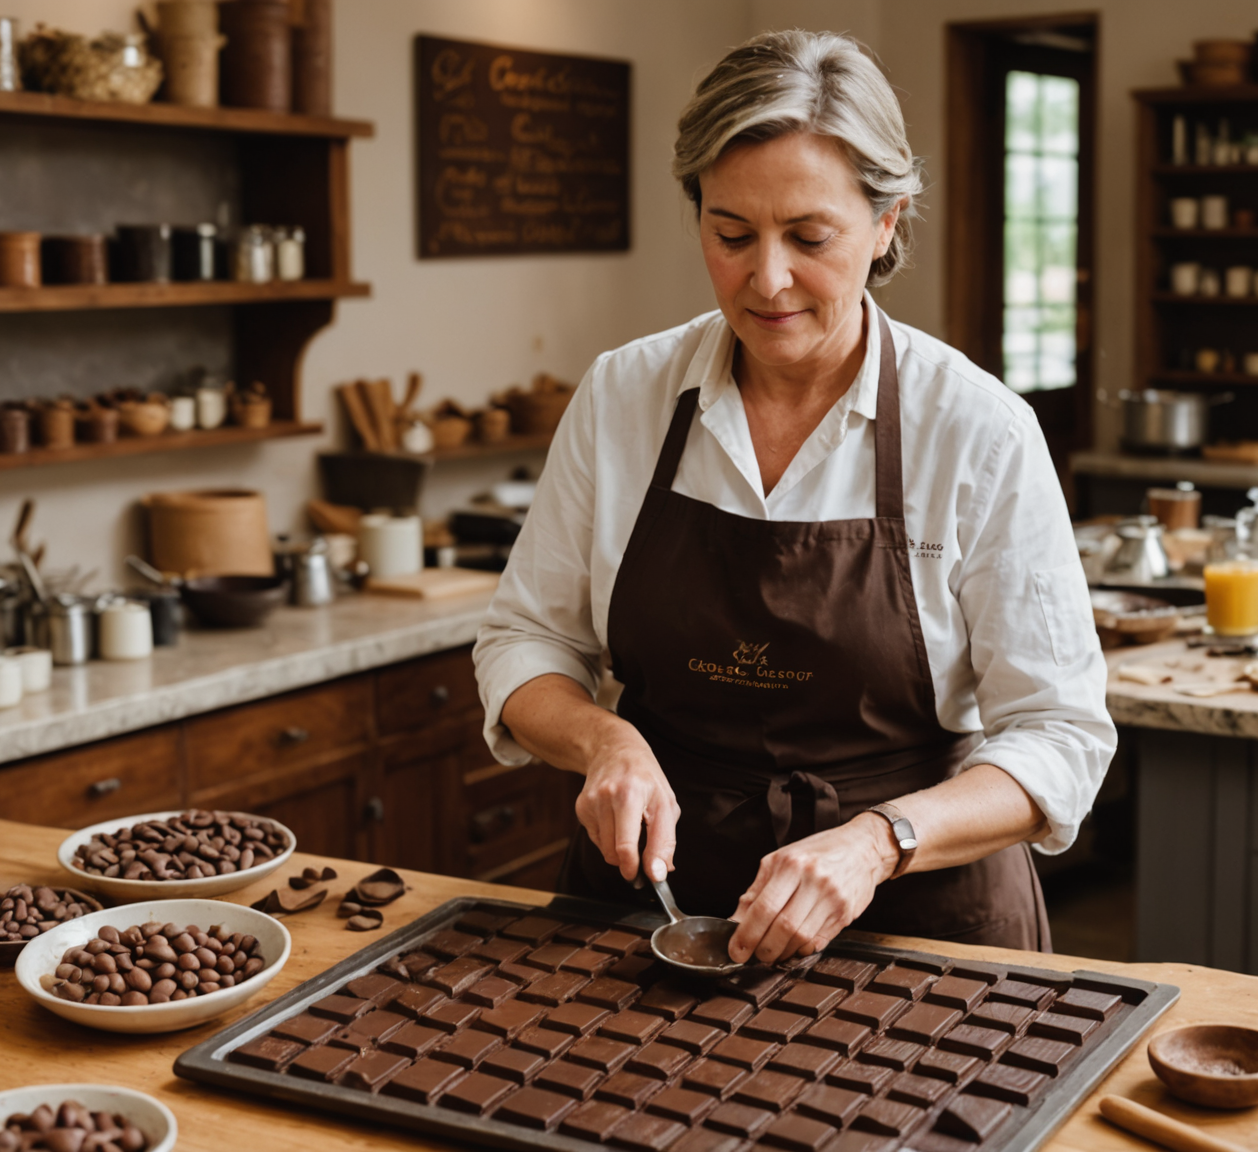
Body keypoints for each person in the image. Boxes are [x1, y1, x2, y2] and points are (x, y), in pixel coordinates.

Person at [472, 29, 1112, 964]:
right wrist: (602, 740)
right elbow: (524, 638)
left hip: (917, 928)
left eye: (810, 238)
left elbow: (1059, 734)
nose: (765, 279)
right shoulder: (625, 396)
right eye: (731, 235)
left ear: (885, 225)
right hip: (655, 911)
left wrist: (876, 842)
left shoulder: (977, 430)